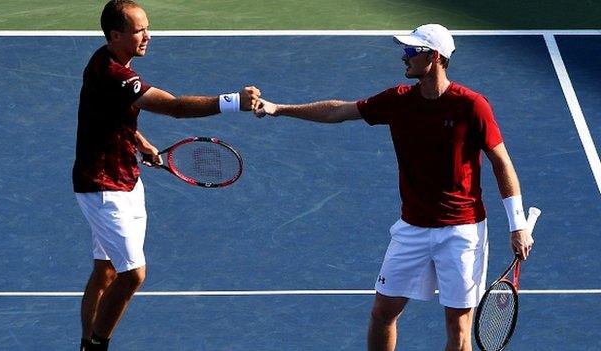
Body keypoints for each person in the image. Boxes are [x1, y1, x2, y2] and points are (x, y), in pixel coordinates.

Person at [254, 24, 534, 351]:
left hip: (462, 232)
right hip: (412, 228)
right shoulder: (398, 101)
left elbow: (502, 162)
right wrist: (280, 109)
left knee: (459, 329)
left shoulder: (471, 106)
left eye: (412, 51)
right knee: (382, 312)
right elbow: (338, 110)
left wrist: (517, 226)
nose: (404, 56)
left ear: (436, 57)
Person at [72, 1, 260, 350]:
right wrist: (234, 101)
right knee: (132, 275)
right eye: (139, 30)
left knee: (107, 271)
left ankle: (86, 343)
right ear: (116, 35)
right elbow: (174, 107)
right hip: (103, 188)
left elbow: (109, 116)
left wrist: (138, 141)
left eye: (147, 27)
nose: (148, 35)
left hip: (125, 178)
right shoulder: (116, 74)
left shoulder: (106, 61)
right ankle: (97, 345)